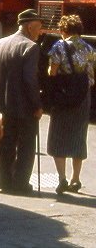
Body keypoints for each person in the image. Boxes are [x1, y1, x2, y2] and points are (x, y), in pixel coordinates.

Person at [0, 9, 44, 195]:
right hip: (24, 106)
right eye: (38, 28)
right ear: (29, 27)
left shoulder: (2, 42)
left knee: (7, 141)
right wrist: (37, 105)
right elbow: (29, 79)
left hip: (4, 104)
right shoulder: (31, 47)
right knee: (27, 145)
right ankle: (20, 183)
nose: (40, 32)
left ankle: (3, 180)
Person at [46, 14, 94, 195]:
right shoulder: (89, 48)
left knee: (59, 136)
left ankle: (62, 178)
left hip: (64, 96)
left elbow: (53, 71)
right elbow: (91, 76)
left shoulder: (59, 46)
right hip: (83, 97)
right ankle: (76, 179)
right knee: (78, 136)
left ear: (63, 30)